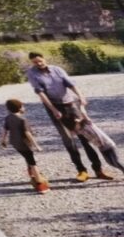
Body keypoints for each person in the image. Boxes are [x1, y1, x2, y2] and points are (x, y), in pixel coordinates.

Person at [26, 52, 113, 182]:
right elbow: (41, 94)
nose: (38, 63)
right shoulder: (32, 73)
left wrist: (81, 96)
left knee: (85, 137)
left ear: (44, 59)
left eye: (40, 61)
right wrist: (54, 110)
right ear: (32, 63)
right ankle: (81, 170)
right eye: (35, 62)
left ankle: (98, 169)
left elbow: (70, 84)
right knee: (69, 140)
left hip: (71, 104)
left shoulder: (57, 69)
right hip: (54, 107)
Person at [0, 99, 49, 194]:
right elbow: (27, 133)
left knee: (27, 158)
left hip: (15, 143)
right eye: (23, 106)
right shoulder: (22, 120)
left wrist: (3, 140)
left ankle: (31, 172)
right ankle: (40, 185)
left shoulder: (8, 118)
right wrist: (36, 145)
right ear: (19, 108)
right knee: (32, 162)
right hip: (24, 144)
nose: (24, 108)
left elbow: (4, 130)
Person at [61, 105, 124, 174]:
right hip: (102, 148)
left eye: (75, 126)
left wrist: (81, 105)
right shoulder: (80, 131)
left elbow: (83, 113)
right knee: (110, 162)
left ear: (77, 122)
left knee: (116, 161)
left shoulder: (88, 124)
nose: (75, 129)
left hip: (108, 145)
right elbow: (71, 132)